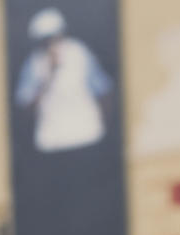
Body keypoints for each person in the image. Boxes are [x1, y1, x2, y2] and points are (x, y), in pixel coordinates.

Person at [14, 8, 113, 152]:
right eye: (45, 41)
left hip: (87, 135)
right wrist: (48, 77)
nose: (52, 45)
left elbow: (104, 91)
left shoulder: (79, 52)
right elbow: (25, 107)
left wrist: (103, 125)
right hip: (53, 142)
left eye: (55, 38)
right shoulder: (33, 64)